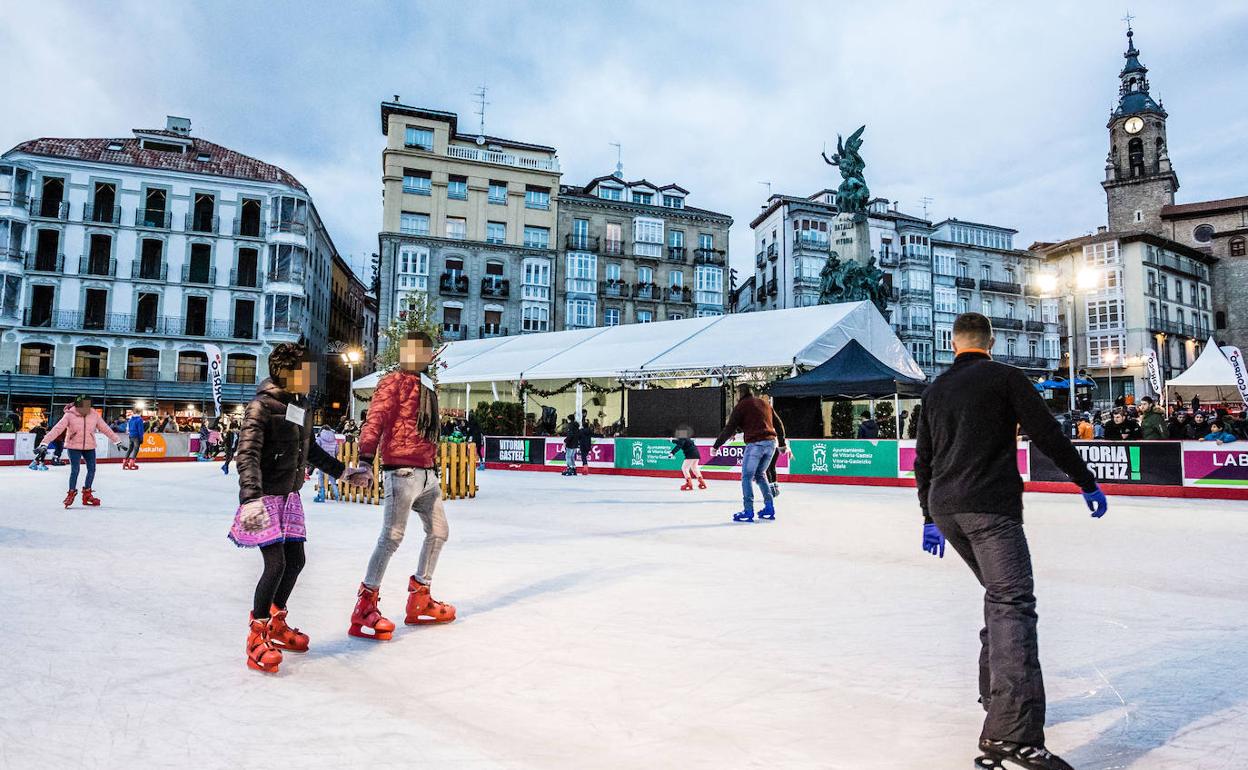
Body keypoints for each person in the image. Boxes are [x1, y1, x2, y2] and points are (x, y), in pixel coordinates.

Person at [915, 313, 1104, 770]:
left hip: (947, 507)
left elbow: (923, 459)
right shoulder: (1005, 377)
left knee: (1000, 599)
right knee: (1013, 604)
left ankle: (994, 697)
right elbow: (1047, 433)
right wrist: (1086, 481)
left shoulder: (936, 388)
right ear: (992, 341)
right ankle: (1011, 735)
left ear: (954, 342)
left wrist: (928, 516)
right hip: (989, 508)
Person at [229, 340, 366, 674]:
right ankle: (257, 634)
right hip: (263, 497)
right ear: (288, 373)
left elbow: (310, 453)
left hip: (289, 495)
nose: (313, 377)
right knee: (275, 564)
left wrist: (345, 472)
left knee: (297, 560)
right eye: (307, 371)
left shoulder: (301, 405)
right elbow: (246, 453)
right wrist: (250, 498)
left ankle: (276, 621)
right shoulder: (262, 406)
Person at [349, 330, 455, 640]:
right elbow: (376, 419)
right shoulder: (393, 382)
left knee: (439, 532)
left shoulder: (427, 385)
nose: (419, 357)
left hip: (427, 473)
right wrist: (366, 460)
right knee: (393, 536)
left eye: (424, 352)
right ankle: (365, 605)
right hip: (402, 472)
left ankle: (420, 596)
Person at [38, 396, 127, 508]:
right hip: (73, 446)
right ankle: (71, 493)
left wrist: (117, 441)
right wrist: (44, 442)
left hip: (89, 446)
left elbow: (105, 428)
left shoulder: (94, 414)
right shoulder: (69, 415)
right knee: (75, 470)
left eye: (88, 405)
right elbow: (57, 429)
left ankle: (87, 494)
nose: (86, 408)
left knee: (92, 469)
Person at [712, 383, 779, 522]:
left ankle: (748, 510)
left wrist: (716, 446)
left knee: (747, 477)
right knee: (760, 475)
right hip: (771, 443)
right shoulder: (764, 403)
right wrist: (783, 443)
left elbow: (729, 427)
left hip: (756, 444)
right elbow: (776, 423)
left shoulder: (741, 406)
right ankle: (769, 507)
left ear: (739, 394)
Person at [312, 425, 341, 502]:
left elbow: (316, 449)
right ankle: (336, 494)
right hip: (331, 460)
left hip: (322, 460)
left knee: (321, 477)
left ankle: (321, 496)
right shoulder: (334, 439)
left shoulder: (319, 439)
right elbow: (337, 450)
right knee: (332, 477)